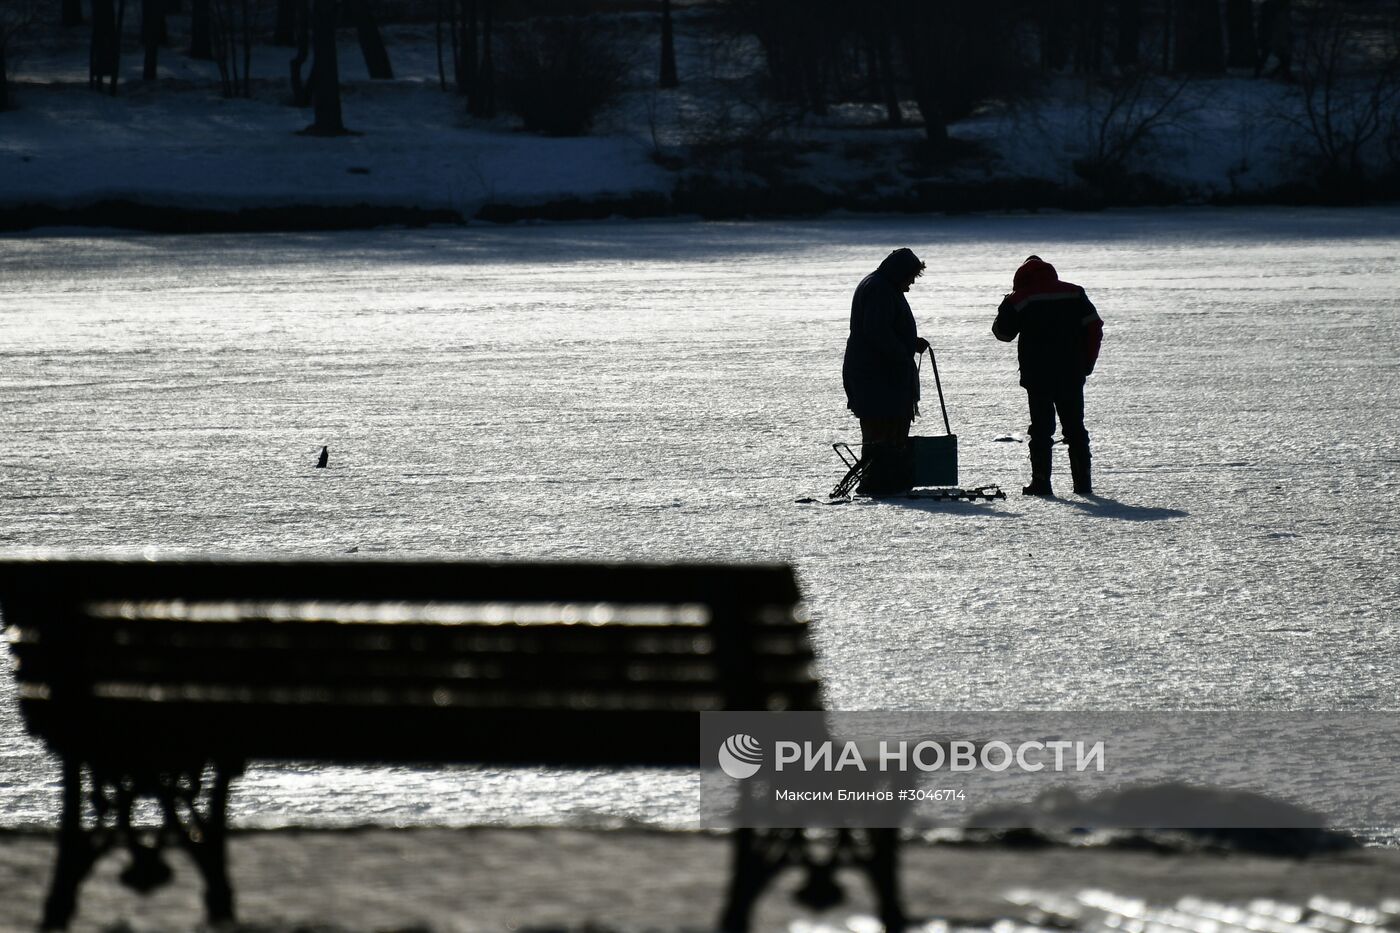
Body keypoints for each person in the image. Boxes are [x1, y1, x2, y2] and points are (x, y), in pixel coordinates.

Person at [992, 255, 1103, 496]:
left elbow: (1003, 333)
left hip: (1038, 374)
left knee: (1042, 429)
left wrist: (1005, 307)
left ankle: (1041, 483)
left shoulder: (1021, 298)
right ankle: (1083, 485)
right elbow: (1095, 327)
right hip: (1071, 372)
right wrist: (1087, 362)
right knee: (1075, 428)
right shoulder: (1074, 293)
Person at [842, 247, 931, 495]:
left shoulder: (881, 286)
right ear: (900, 272)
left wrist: (909, 343)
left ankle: (883, 480)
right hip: (877, 376)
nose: (911, 284)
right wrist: (904, 351)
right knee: (883, 428)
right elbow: (877, 333)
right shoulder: (880, 290)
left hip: (876, 373)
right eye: (910, 277)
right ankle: (879, 482)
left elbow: (881, 331)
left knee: (883, 427)